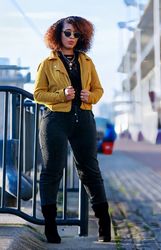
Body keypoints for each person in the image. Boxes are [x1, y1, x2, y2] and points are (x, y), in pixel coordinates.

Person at [33, 16, 111, 243]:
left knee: (90, 171)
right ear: (58, 34)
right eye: (68, 33)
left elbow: (98, 89)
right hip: (55, 120)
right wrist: (61, 96)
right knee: (52, 170)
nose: (72, 38)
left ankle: (105, 226)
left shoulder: (87, 61)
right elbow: (38, 94)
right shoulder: (47, 63)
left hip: (84, 119)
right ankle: (50, 227)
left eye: (77, 34)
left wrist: (91, 96)